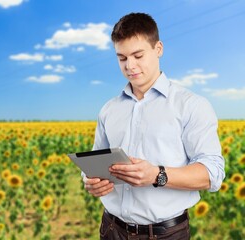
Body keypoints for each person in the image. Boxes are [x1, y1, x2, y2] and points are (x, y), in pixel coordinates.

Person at [82, 12, 225, 240]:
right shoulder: (109, 109)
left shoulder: (191, 105)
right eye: (122, 58)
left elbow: (212, 174)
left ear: (158, 49)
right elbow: (95, 161)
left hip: (165, 233)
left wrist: (156, 175)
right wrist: (90, 181)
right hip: (111, 229)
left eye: (138, 55)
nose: (130, 66)